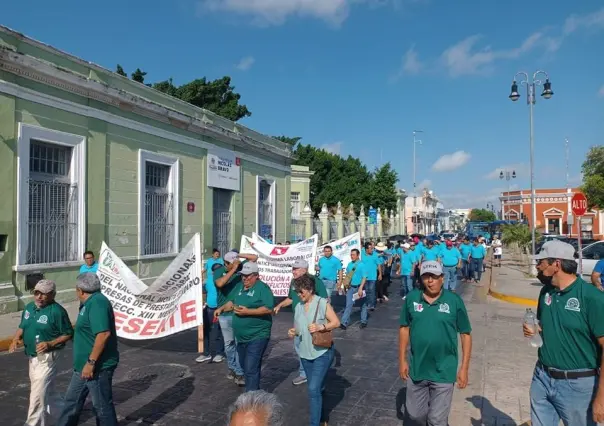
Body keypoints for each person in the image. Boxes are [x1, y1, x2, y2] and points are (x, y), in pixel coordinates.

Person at [523, 240, 604, 426]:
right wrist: (536, 330)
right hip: (542, 378)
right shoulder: (546, 293)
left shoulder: (592, 298)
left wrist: (601, 397)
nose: (537, 266)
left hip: (578, 386)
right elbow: (545, 326)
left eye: (541, 262)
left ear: (556, 264)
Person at [399, 261, 472, 426]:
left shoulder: (454, 301)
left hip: (444, 370)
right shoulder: (412, 299)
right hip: (418, 368)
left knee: (436, 420)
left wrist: (464, 368)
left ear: (442, 278)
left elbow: (465, 334)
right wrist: (402, 359)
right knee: (415, 415)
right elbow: (404, 328)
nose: (430, 281)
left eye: (434, 276)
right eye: (426, 277)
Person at [57, 273, 119, 426]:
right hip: (82, 367)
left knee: (102, 408)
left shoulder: (97, 303)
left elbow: (103, 334)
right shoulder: (88, 303)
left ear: (80, 290)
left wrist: (91, 362)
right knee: (71, 403)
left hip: (97, 367)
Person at [9, 280, 73, 426]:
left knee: (37, 396)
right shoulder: (30, 308)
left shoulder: (57, 311)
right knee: (46, 392)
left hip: (47, 359)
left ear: (52, 295)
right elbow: (23, 326)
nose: (39, 297)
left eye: (44, 294)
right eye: (36, 293)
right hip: (32, 357)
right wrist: (15, 339)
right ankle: (65, 415)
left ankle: (33, 424)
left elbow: (68, 333)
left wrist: (50, 343)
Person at [289, 273, 340, 426]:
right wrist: (293, 331)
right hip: (305, 354)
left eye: (301, 291)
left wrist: (321, 326)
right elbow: (298, 328)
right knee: (318, 388)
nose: (299, 295)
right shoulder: (298, 306)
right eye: (297, 292)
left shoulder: (322, 303)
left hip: (322, 353)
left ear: (310, 289)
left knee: (312, 389)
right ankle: (323, 418)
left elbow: (336, 322)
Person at [216, 262, 274, 392]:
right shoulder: (241, 287)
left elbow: (268, 308)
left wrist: (248, 312)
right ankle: (255, 392)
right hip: (241, 337)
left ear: (256, 276)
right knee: (244, 366)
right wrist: (221, 308)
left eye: (248, 276)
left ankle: (251, 398)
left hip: (258, 334)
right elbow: (232, 301)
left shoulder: (262, 288)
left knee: (250, 368)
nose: (245, 279)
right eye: (243, 276)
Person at [274, 260, 328, 386]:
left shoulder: (315, 281)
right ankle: (305, 373)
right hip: (298, 319)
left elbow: (325, 300)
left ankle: (316, 373)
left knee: (314, 345)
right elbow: (291, 298)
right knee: (299, 346)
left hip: (312, 320)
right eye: (293, 269)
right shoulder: (293, 282)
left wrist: (322, 320)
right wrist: (280, 305)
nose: (293, 271)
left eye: (296, 269)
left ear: (304, 270)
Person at [214, 250, 259, 386]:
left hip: (238, 312)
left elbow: (255, 257)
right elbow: (220, 284)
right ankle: (233, 368)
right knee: (229, 344)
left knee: (239, 343)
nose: (236, 265)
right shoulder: (219, 271)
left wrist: (238, 257)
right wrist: (233, 269)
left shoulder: (240, 266)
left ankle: (239, 372)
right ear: (225, 263)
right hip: (224, 314)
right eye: (230, 263)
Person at [197, 249, 225, 363]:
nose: (215, 273)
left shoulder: (223, 282)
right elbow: (204, 292)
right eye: (214, 271)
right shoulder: (208, 281)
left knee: (218, 332)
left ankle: (219, 353)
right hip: (208, 308)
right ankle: (206, 353)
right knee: (206, 331)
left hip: (219, 309)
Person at [340, 249, 368, 330]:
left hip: (360, 287)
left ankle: (363, 321)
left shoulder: (362, 265)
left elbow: (364, 277)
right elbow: (348, 276)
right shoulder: (349, 265)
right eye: (351, 254)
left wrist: (361, 288)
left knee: (362, 305)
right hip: (351, 287)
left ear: (358, 255)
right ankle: (344, 322)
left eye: (353, 254)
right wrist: (345, 286)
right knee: (349, 304)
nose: (352, 256)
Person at [362, 242, 381, 311]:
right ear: (366, 249)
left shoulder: (375, 255)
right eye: (370, 248)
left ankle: (372, 304)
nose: (372, 250)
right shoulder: (362, 255)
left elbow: (378, 264)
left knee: (371, 290)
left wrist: (380, 274)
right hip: (364, 277)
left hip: (373, 276)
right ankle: (367, 303)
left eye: (372, 248)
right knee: (366, 291)